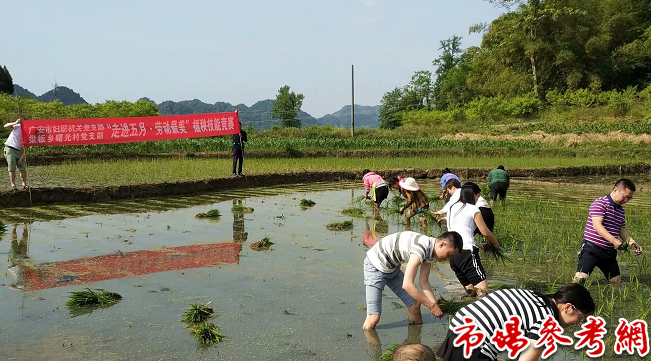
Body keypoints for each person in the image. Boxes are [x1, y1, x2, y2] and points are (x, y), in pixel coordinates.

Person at [436, 283, 595, 361]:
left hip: (460, 326)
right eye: (580, 317)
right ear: (568, 308)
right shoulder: (547, 321)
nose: (577, 323)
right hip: (476, 340)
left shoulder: (536, 296)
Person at [363, 230, 463, 330]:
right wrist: (431, 307)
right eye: (449, 254)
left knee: (414, 304)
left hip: (392, 268)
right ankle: (369, 343)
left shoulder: (431, 251)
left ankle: (415, 342)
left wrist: (435, 304)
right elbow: (407, 285)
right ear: (442, 244)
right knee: (373, 317)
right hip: (375, 266)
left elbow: (424, 281)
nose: (449, 259)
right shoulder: (420, 249)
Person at [434, 182, 499, 297]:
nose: (478, 199)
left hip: (454, 257)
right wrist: (495, 243)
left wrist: (477, 244)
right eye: (478, 196)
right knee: (484, 295)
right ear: (473, 194)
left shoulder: (453, 207)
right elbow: (486, 232)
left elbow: (460, 233)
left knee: (471, 294)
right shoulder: (473, 209)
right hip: (467, 255)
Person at [574, 179, 642, 285]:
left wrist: (632, 242)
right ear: (615, 190)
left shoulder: (620, 210)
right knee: (579, 281)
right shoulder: (600, 203)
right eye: (625, 197)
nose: (626, 200)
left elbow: (621, 229)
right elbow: (597, 226)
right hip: (591, 249)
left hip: (608, 253)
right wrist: (614, 241)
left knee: (616, 282)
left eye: (629, 198)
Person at [3, 118, 28, 192]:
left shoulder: (29, 132)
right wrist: (15, 122)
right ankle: (13, 185)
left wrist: (21, 158)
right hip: (10, 148)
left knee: (22, 168)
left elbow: (26, 147)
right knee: (12, 167)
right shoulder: (18, 126)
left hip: (19, 150)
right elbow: (5, 126)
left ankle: (24, 184)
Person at [232, 112, 248, 177]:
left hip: (241, 146)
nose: (238, 126)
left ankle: (240, 172)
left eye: (239, 125)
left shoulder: (243, 132)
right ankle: (234, 172)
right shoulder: (234, 131)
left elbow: (246, 140)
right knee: (235, 159)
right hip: (235, 146)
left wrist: (241, 136)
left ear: (241, 126)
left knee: (241, 159)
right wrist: (236, 113)